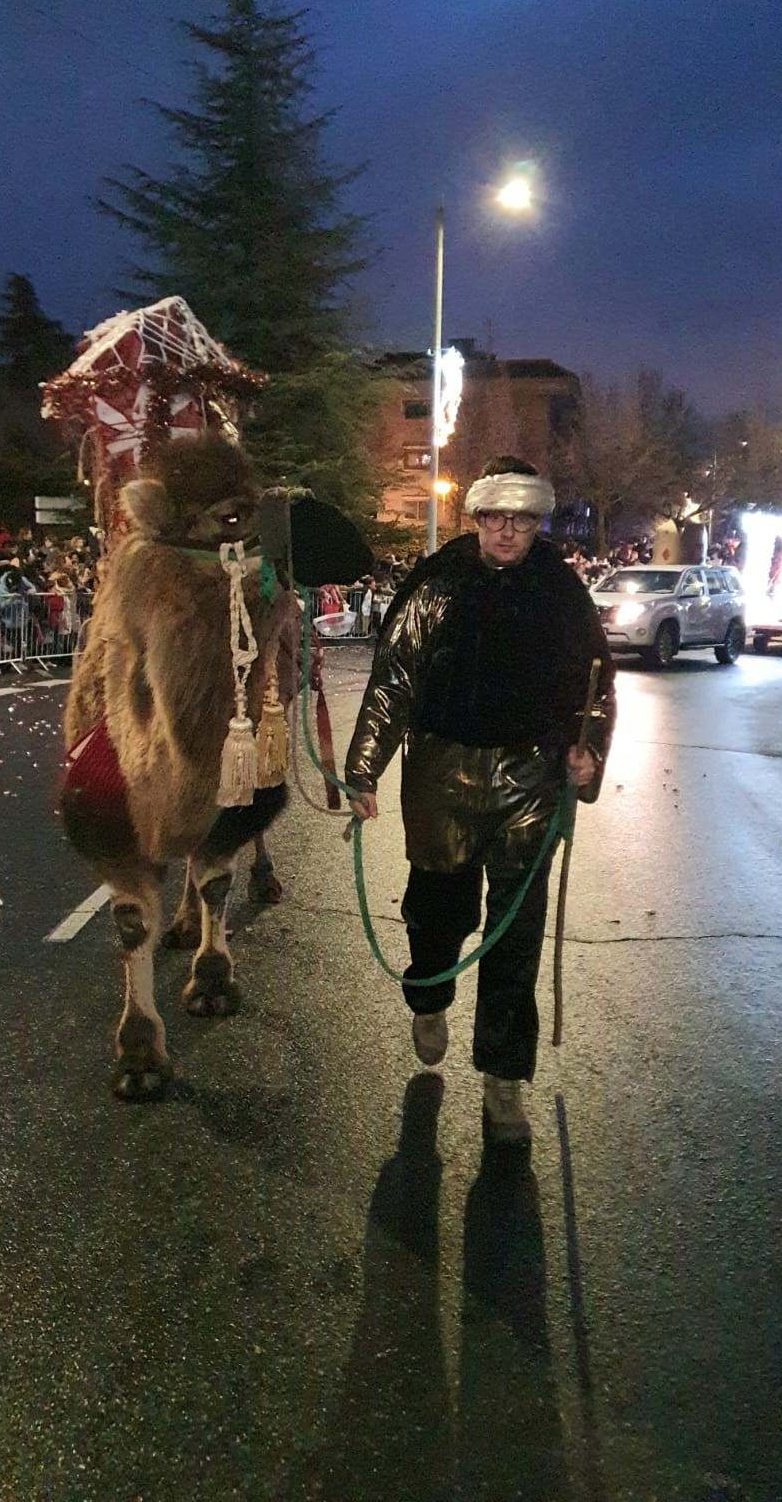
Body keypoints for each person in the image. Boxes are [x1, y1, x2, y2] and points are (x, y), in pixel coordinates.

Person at [345, 456, 616, 1145]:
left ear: (534, 524)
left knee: (516, 934)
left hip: (531, 779)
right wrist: (365, 768)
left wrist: (589, 748)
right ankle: (430, 997)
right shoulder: (439, 584)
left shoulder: (561, 592)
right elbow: (394, 677)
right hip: (443, 772)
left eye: (520, 520)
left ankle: (503, 1079)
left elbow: (595, 684)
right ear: (479, 519)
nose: (506, 532)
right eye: (496, 518)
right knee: (438, 911)